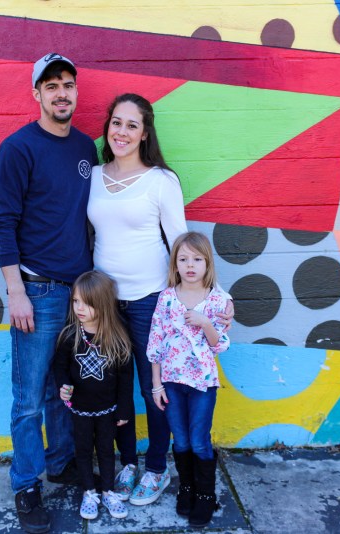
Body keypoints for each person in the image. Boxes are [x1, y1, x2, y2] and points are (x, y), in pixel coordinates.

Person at [87, 94, 234, 506]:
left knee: (155, 389)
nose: (122, 131)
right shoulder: (95, 176)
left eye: (132, 125)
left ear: (145, 133)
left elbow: (185, 248)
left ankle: (156, 468)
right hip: (105, 303)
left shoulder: (161, 181)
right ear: (108, 127)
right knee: (115, 388)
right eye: (117, 122)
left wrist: (214, 299)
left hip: (151, 301)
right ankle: (128, 462)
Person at [0, 52, 98, 534]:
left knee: (63, 392)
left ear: (76, 91)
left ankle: (60, 462)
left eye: (67, 84)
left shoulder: (85, 147)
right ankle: (26, 483)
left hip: (78, 296)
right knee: (29, 398)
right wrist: (16, 291)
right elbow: (2, 222)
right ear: (36, 94)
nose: (61, 93)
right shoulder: (18, 148)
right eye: (50, 85)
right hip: (36, 291)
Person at [147, 231, 230, 528]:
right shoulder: (167, 298)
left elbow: (220, 345)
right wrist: (156, 385)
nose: (190, 265)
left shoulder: (218, 300)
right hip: (171, 382)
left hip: (202, 384)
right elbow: (155, 343)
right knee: (180, 440)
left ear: (207, 263)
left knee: (198, 440)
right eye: (183, 259)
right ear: (175, 264)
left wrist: (206, 322)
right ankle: (187, 487)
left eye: (197, 259)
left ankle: (206, 494)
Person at [53, 271, 134, 520]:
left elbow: (126, 378)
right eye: (76, 301)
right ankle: (89, 491)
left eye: (87, 303)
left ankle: (108, 490)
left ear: (103, 304)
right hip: (80, 409)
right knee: (84, 449)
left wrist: (123, 409)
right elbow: (59, 367)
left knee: (107, 450)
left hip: (108, 410)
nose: (79, 308)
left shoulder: (117, 338)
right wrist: (64, 385)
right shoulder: (69, 335)